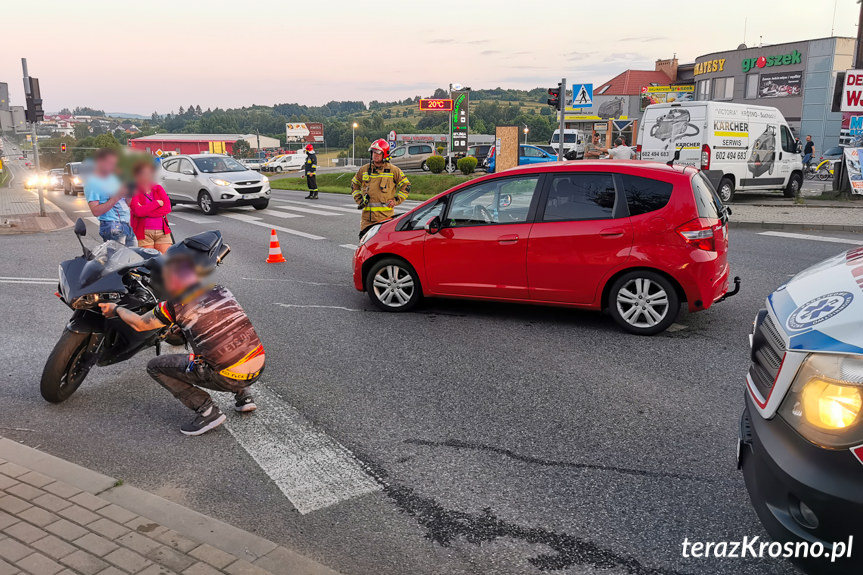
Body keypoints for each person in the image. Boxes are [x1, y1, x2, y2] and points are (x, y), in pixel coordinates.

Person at [98, 236, 264, 436]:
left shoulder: (175, 304)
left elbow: (140, 324)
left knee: (155, 367)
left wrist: (115, 309)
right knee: (222, 338)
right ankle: (244, 396)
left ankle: (207, 410)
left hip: (227, 376)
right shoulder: (221, 290)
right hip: (258, 367)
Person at [350, 139, 410, 238]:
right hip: (367, 220)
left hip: (385, 219)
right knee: (364, 246)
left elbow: (406, 186)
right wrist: (359, 199)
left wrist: (396, 200)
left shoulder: (393, 170)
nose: (375, 155)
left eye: (377, 152)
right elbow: (354, 184)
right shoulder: (364, 169)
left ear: (384, 154)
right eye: (373, 152)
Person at [85, 148, 135, 246]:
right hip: (111, 225)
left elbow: (127, 203)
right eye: (110, 163)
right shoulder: (93, 183)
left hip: (126, 224)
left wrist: (129, 192)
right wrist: (116, 197)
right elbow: (96, 211)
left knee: (135, 258)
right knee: (118, 260)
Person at [129, 159, 173, 253]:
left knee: (166, 261)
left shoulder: (158, 188)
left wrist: (146, 211)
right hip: (144, 233)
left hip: (162, 232)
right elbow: (138, 212)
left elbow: (167, 208)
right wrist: (156, 203)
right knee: (150, 262)